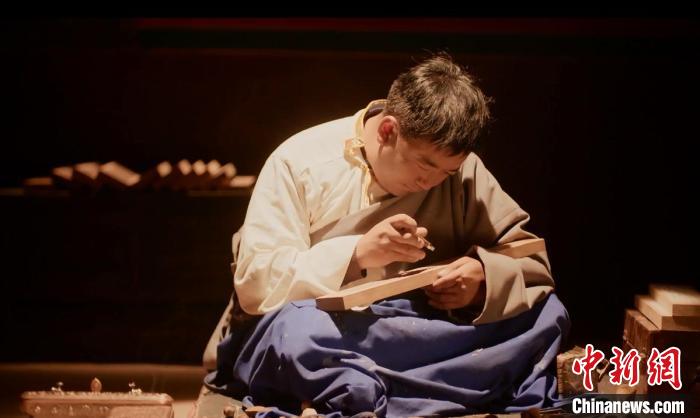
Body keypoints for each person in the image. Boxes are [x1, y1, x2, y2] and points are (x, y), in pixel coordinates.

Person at [205, 54, 570, 418]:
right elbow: (257, 284)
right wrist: (358, 253)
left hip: (415, 328)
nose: (430, 182)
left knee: (545, 313)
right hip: (333, 328)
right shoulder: (299, 162)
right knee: (297, 335)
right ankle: (433, 388)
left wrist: (482, 281)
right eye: (424, 164)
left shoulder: (462, 173)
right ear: (387, 131)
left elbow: (529, 260)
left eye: (447, 172)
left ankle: (369, 390)